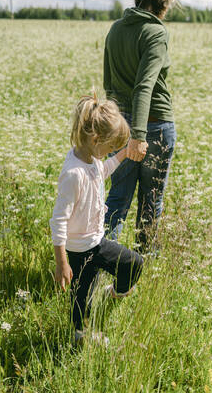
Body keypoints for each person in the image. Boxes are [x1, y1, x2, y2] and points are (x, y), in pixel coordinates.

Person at [50, 95, 143, 345]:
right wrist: (62, 262)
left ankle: (116, 292)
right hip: (78, 251)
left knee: (133, 263)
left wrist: (123, 154)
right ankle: (81, 335)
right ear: (95, 139)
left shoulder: (92, 159)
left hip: (98, 242)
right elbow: (58, 221)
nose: (109, 152)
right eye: (110, 146)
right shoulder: (73, 173)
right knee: (82, 299)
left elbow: (103, 171)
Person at [103, 0, 177, 252]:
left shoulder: (115, 29)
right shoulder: (156, 32)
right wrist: (139, 135)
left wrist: (118, 128)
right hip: (153, 129)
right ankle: (143, 267)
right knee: (151, 202)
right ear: (164, 2)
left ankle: (97, 266)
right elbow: (144, 87)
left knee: (116, 200)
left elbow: (109, 85)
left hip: (120, 126)